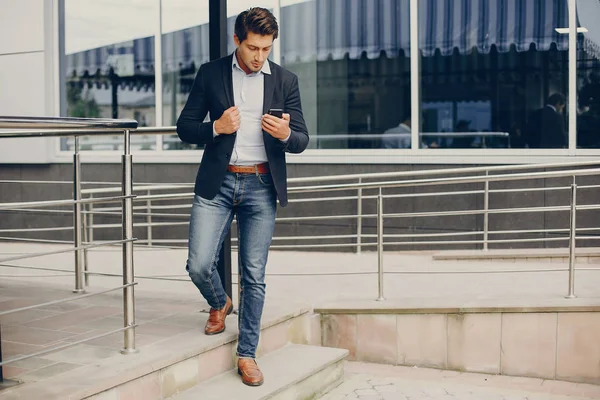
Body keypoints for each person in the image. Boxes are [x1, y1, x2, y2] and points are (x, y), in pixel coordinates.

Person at [176, 7, 309, 387]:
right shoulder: (210, 74)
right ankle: (219, 301)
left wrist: (285, 135)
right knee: (199, 264)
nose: (259, 56)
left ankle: (247, 353)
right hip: (218, 184)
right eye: (253, 47)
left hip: (261, 187)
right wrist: (215, 128)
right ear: (237, 40)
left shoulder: (285, 81)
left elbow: (301, 139)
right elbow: (185, 127)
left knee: (254, 276)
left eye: (266, 49)